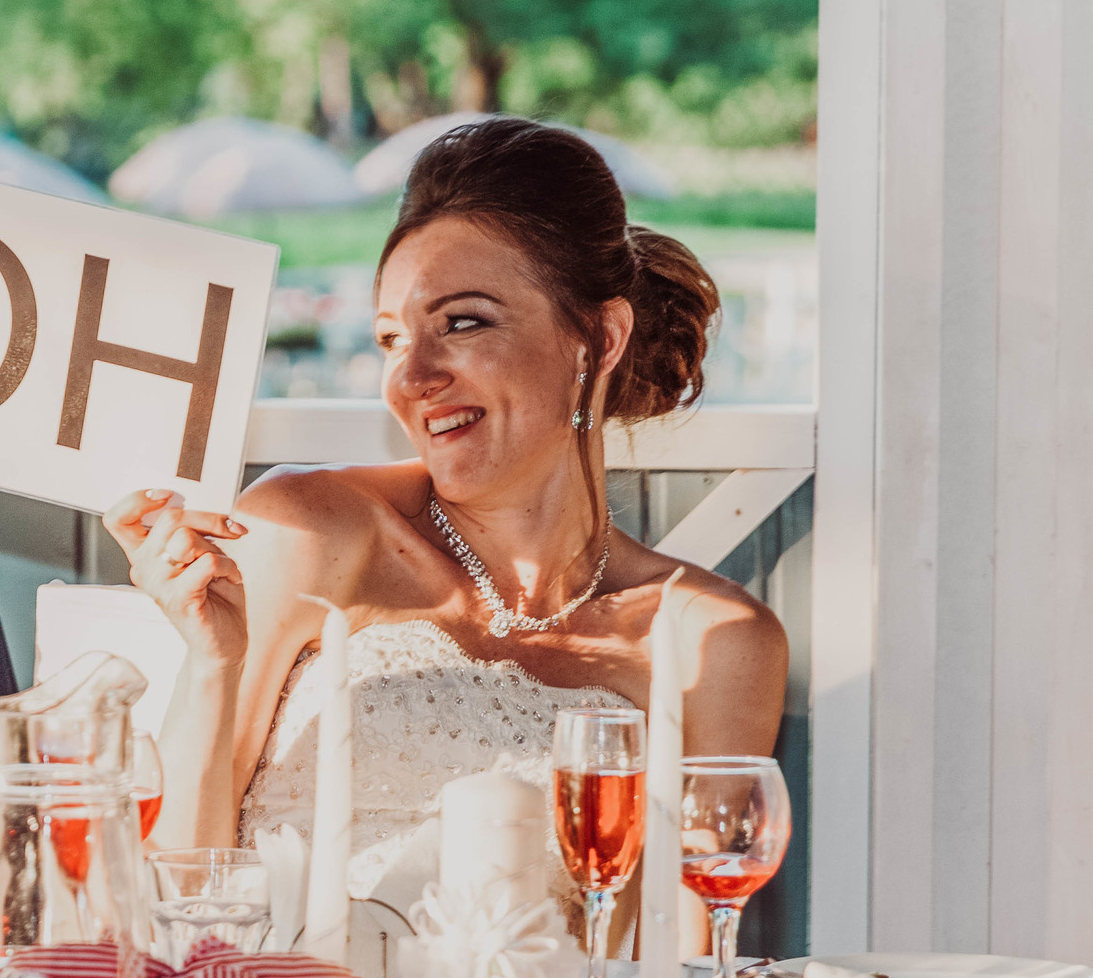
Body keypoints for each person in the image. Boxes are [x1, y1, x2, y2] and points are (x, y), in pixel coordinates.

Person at [109, 116, 786, 919]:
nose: (412, 376)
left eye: (463, 322)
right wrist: (213, 661)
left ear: (597, 338)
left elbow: (678, 977)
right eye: (392, 339)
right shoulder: (313, 530)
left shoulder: (712, 641)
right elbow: (173, 905)